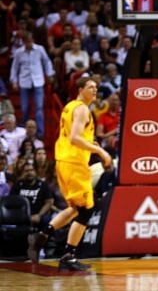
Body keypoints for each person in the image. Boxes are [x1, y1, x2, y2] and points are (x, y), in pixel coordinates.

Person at [27, 77, 113, 271]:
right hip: (74, 164)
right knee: (86, 210)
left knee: (76, 208)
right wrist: (100, 151)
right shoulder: (82, 108)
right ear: (80, 89)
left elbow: (73, 136)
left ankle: (41, 237)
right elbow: (74, 138)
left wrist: (92, 146)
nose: (95, 90)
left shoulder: (70, 106)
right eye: (90, 87)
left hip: (64, 162)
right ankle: (68, 255)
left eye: (96, 87)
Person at [9, 33, 55, 137]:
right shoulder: (18, 52)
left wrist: (50, 74)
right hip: (24, 82)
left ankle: (40, 133)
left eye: (30, 41)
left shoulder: (40, 49)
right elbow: (14, 68)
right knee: (25, 108)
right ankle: (25, 133)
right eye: (27, 42)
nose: (29, 43)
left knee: (39, 108)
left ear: (33, 40)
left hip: (38, 81)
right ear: (24, 42)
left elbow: (46, 62)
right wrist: (14, 81)